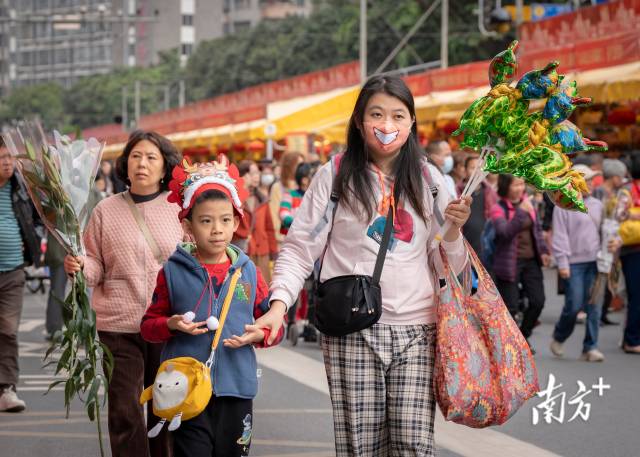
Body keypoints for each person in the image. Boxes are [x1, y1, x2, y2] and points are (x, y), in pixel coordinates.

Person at [263, 75, 471, 456]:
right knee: (362, 447)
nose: (387, 126)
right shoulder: (334, 175)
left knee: (413, 444)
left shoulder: (432, 180)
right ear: (360, 121)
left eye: (398, 116)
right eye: (377, 114)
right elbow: (299, 248)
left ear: (411, 125)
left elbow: (452, 264)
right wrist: (279, 306)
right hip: (350, 329)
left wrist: (455, 231)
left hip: (417, 329)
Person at [140, 155, 284, 457]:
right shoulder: (171, 272)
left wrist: (261, 335)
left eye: (225, 220)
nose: (217, 229)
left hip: (237, 389)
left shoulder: (248, 272)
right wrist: (170, 324)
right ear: (187, 224)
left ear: (236, 221)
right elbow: (148, 327)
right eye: (206, 221)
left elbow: (273, 325)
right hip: (186, 392)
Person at [63, 130, 182, 457]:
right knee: (125, 410)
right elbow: (96, 263)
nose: (142, 163)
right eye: (136, 156)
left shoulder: (178, 209)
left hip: (167, 325)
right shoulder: (105, 210)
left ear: (164, 167)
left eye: (151, 157)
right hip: (118, 323)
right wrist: (80, 266)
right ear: (125, 164)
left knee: (166, 409)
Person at [0, 146, 43, 413]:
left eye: (9, 157)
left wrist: (32, 242)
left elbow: (42, 219)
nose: (7, 162)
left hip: (13, 271)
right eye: (1, 157)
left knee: (7, 330)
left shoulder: (22, 188)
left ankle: (7, 389)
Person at [549, 165, 606, 362]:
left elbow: (604, 231)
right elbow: (560, 236)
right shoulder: (563, 205)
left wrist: (610, 249)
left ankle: (590, 347)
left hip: (596, 262)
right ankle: (559, 335)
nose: (590, 183)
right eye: (586, 179)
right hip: (574, 263)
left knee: (594, 306)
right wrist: (562, 262)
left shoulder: (598, 204)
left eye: (591, 179)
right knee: (573, 306)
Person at [491, 174, 550, 353]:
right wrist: (521, 212)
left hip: (531, 261)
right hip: (508, 262)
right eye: (515, 184)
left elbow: (537, 230)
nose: (520, 188)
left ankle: (522, 336)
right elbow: (504, 232)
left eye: (522, 184)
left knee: (538, 301)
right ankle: (510, 345)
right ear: (505, 186)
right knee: (511, 307)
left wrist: (544, 251)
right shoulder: (498, 208)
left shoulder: (528, 203)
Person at [44, 170, 106, 340]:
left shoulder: (91, 191)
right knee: (61, 289)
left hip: (83, 251)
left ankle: (82, 330)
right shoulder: (56, 189)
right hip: (63, 249)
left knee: (82, 291)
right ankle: (57, 328)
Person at [591, 158, 629, 326]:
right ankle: (596, 313)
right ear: (614, 177)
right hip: (600, 242)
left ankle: (603, 312)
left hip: (613, 241)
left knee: (610, 277)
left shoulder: (618, 195)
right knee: (600, 279)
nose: (622, 180)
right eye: (620, 176)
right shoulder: (599, 192)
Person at [234, 160, 278, 283]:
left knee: (264, 290)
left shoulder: (263, 199)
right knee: (245, 289)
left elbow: (269, 228)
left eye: (258, 173)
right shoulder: (236, 199)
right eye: (252, 173)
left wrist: (274, 253)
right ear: (242, 175)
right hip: (245, 251)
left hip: (263, 252)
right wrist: (242, 187)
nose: (257, 176)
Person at [619, 154, 640, 354]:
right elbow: (618, 214)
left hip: (633, 247)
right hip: (632, 247)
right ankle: (631, 339)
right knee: (636, 294)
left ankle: (631, 336)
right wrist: (634, 214)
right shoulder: (627, 190)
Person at [459, 154, 497, 259]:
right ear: (465, 170)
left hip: (485, 248)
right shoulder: (457, 192)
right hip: (463, 247)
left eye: (480, 168)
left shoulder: (489, 192)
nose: (477, 171)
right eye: (473, 168)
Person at [268, 152, 303, 241]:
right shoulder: (277, 187)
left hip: (301, 238)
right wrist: (279, 236)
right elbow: (274, 213)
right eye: (298, 165)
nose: (301, 169)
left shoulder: (304, 186)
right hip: (283, 238)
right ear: (289, 166)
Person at [279, 162, 311, 236]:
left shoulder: (315, 197)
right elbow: (283, 213)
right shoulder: (290, 195)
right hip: (293, 237)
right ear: (304, 179)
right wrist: (295, 224)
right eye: (311, 176)